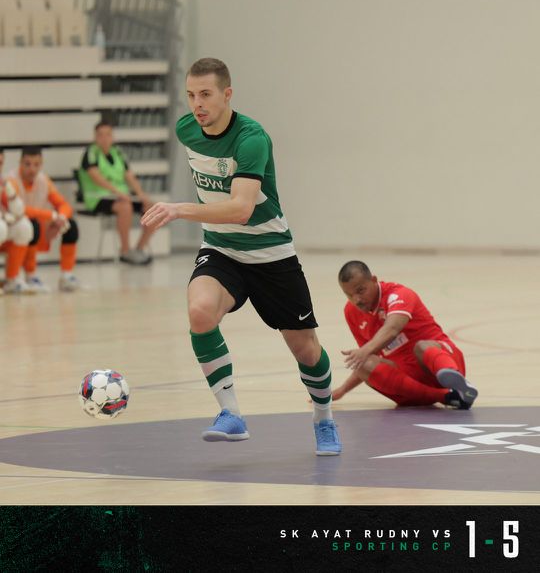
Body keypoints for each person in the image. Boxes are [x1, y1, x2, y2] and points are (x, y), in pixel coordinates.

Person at [141, 57, 341, 455]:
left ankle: (324, 419)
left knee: (305, 348)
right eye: (191, 95)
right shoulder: (187, 130)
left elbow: (241, 209)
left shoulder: (252, 138)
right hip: (221, 250)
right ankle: (230, 414)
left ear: (227, 94)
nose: (197, 104)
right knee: (199, 311)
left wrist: (180, 209)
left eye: (206, 95)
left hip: (271, 255)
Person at [334, 260, 478, 409]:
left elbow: (392, 328)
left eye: (360, 290)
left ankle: (455, 380)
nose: (356, 299)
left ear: (374, 280)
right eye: (349, 295)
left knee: (422, 346)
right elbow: (366, 355)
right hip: (410, 382)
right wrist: (342, 390)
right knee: (363, 365)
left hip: (440, 361)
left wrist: (364, 350)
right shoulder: (351, 312)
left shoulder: (398, 294)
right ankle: (446, 396)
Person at [78, 118, 154, 265]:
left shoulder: (118, 153)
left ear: (112, 137)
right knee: (125, 206)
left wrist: (140, 194)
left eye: (108, 134)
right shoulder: (91, 153)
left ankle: (138, 249)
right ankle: (124, 252)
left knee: (152, 208)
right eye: (100, 135)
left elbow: (129, 176)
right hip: (99, 198)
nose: (104, 138)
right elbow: (96, 177)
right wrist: (117, 192)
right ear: (95, 137)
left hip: (121, 196)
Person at [8, 146, 80, 292]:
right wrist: (50, 215)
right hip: (12, 229)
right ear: (20, 163)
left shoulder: (43, 181)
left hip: (36, 226)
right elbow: (21, 210)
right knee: (30, 224)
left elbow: (64, 204)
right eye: (27, 164)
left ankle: (67, 275)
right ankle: (30, 276)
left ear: (41, 165)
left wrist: (60, 217)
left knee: (70, 225)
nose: (32, 169)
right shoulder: (11, 180)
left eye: (36, 165)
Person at [0, 148, 34, 294]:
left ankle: (12, 279)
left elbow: (19, 211)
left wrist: (9, 191)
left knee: (24, 227)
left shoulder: (5, 182)